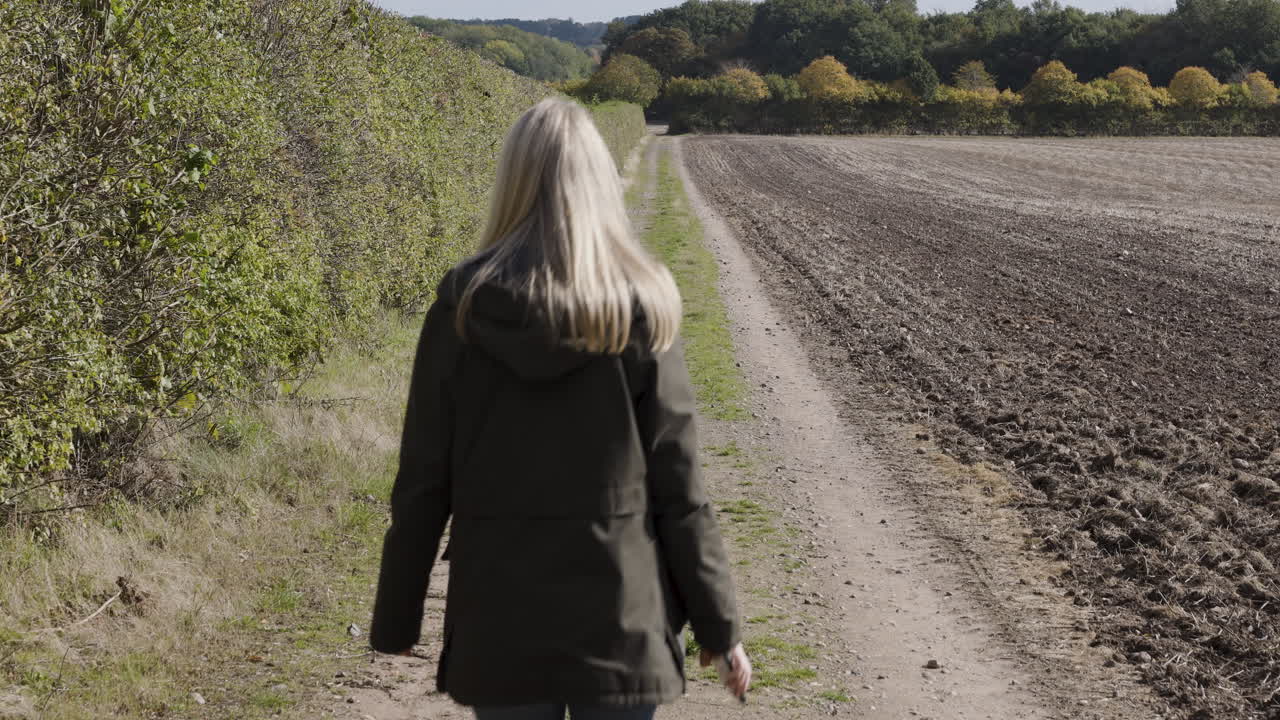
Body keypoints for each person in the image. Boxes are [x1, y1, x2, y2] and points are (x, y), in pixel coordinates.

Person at [369, 98, 751, 720]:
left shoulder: (462, 307)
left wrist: (397, 620)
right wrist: (719, 626)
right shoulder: (643, 305)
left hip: (501, 619)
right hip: (624, 619)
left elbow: (422, 481)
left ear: (512, 181)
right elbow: (678, 488)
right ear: (598, 180)